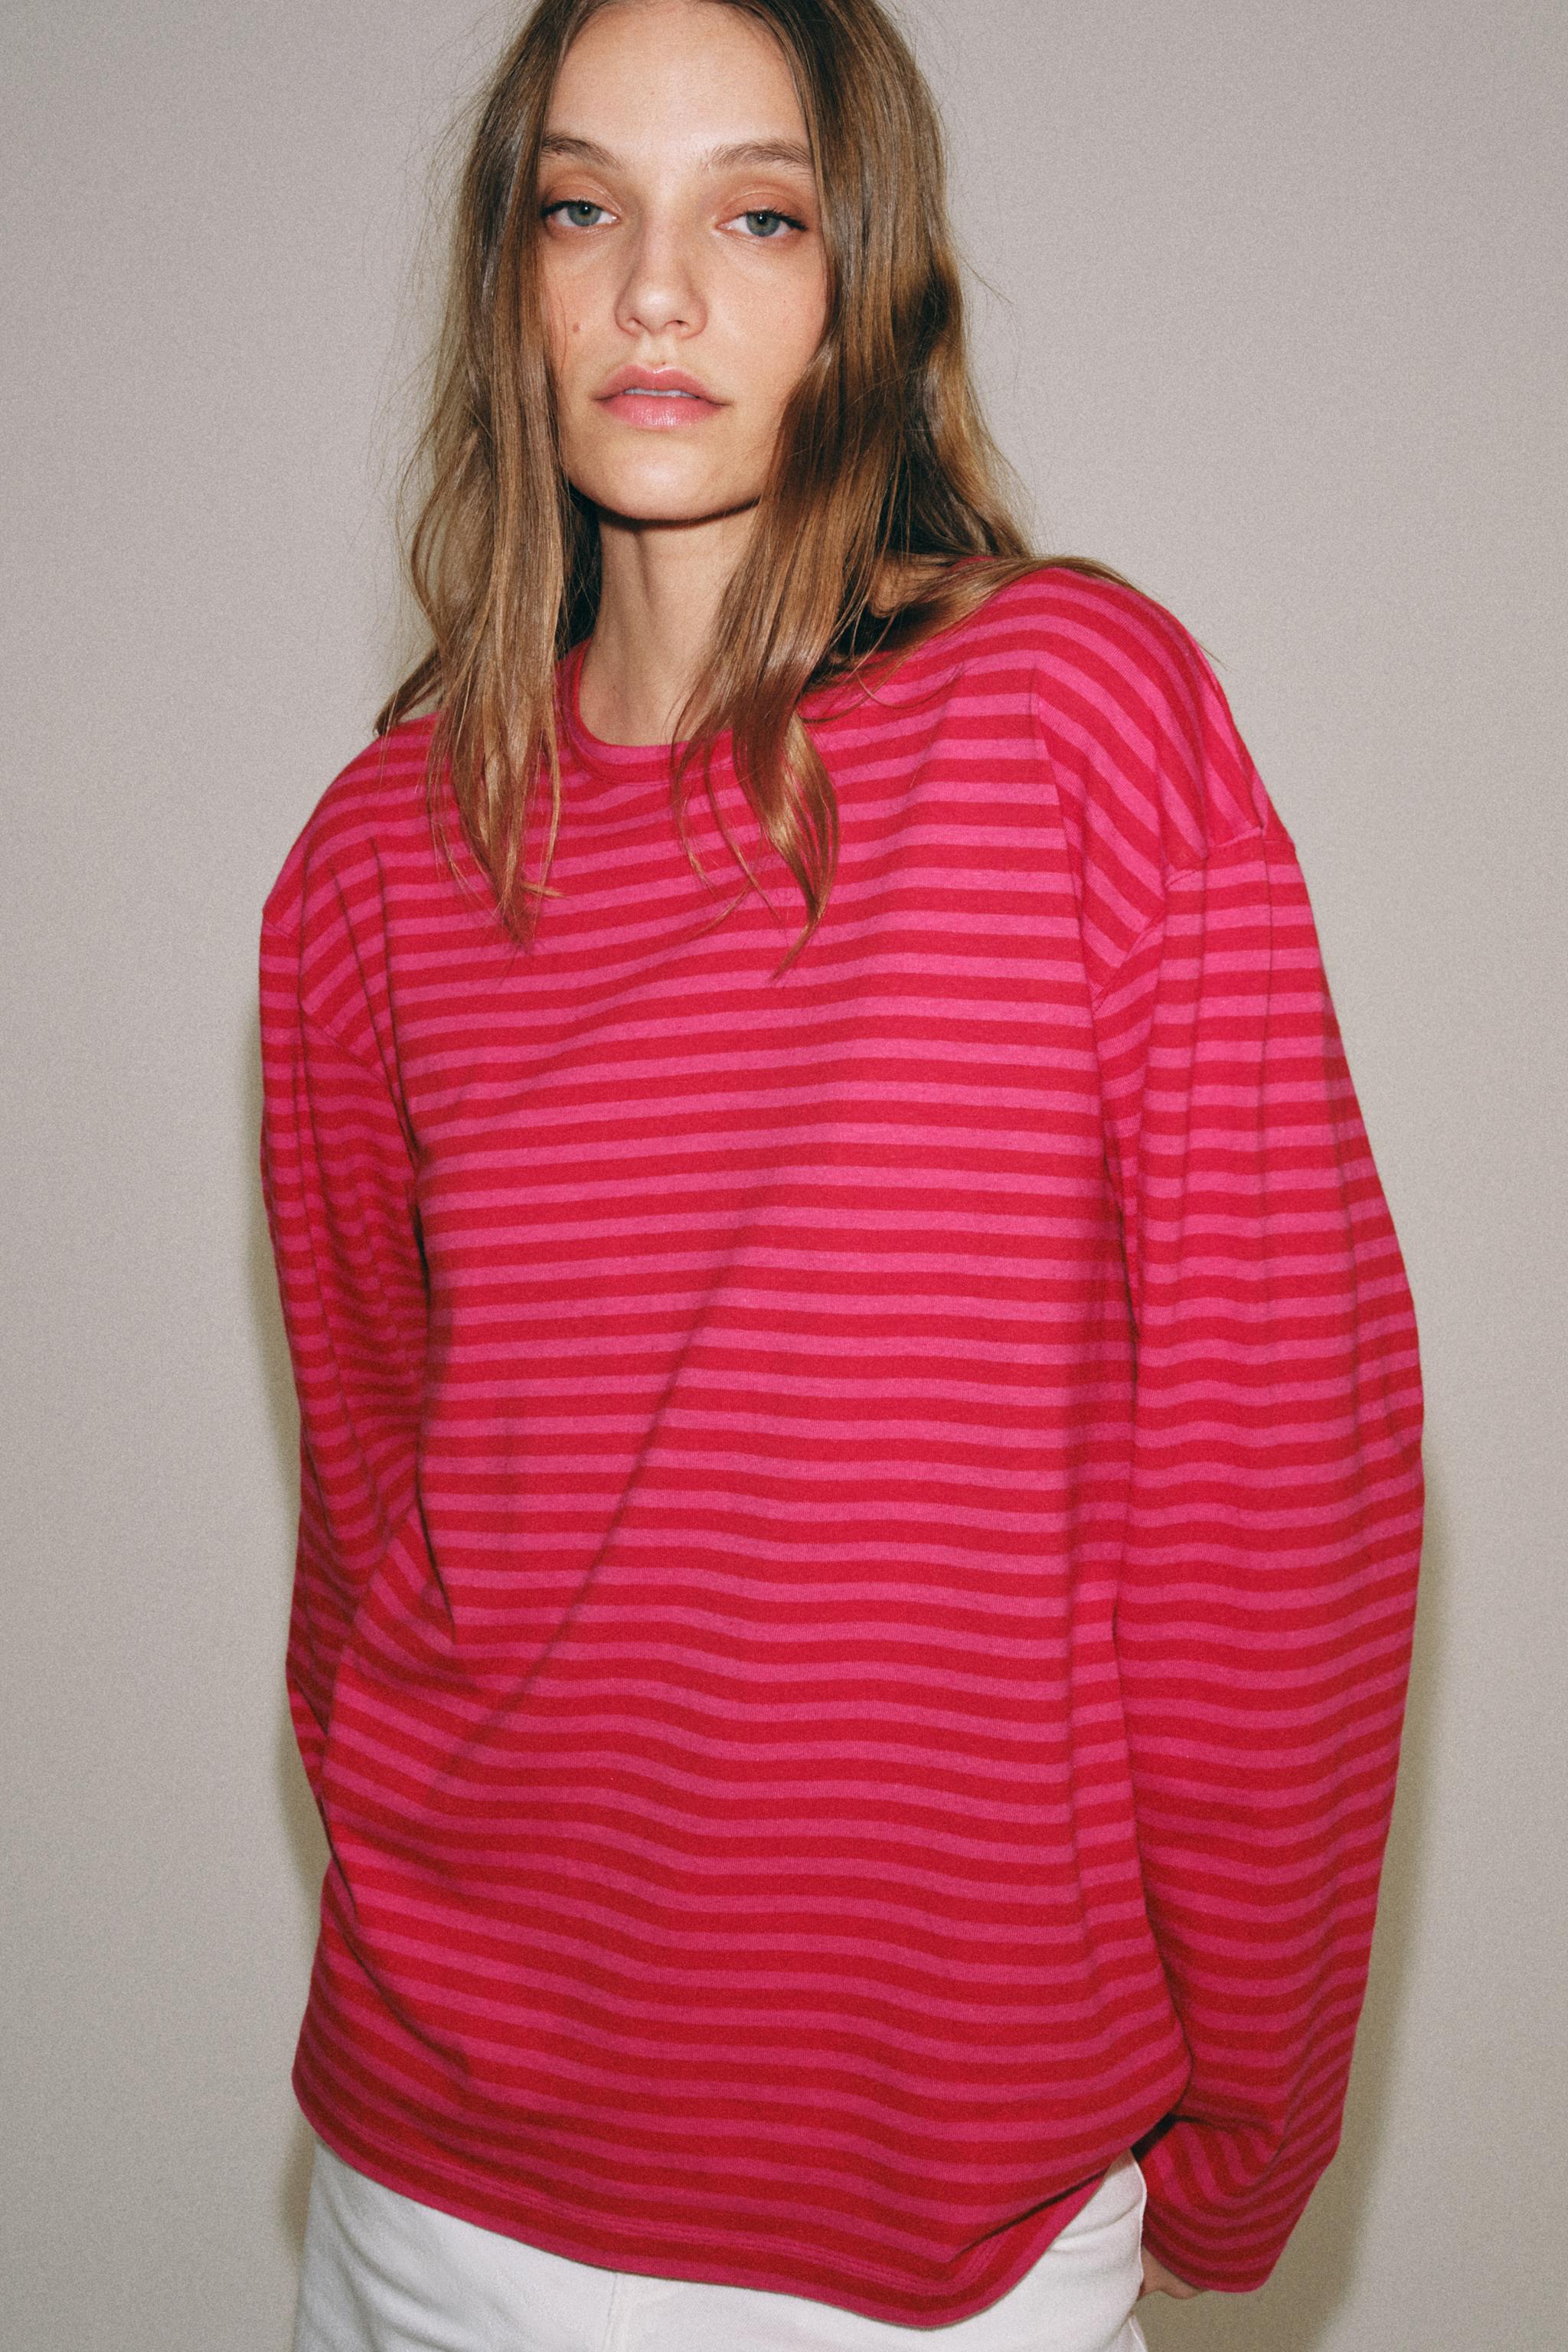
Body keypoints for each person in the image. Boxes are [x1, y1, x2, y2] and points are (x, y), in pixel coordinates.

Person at [258, 2, 1425, 2346]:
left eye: (758, 215)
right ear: (509, 283)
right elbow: (377, 1521)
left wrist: (1239, 2146)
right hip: (429, 2187)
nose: (655, 288)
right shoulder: (373, 865)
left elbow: (1280, 1488)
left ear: (864, 279)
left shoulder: (1073, 721)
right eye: (580, 207)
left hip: (930, 2235)